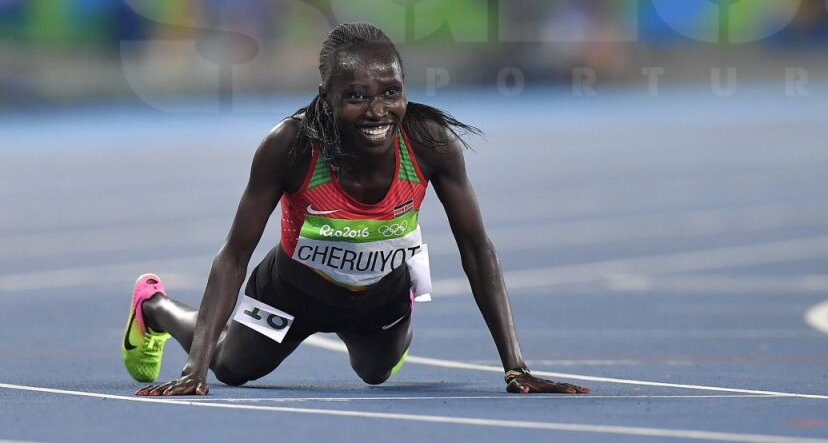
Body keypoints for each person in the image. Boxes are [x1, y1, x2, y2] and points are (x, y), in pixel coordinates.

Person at [122, 21, 589, 395]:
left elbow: (477, 249)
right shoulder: (290, 146)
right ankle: (155, 306)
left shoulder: (429, 142)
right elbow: (233, 255)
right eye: (356, 96)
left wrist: (516, 368)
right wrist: (194, 368)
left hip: (380, 295)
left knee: (376, 374)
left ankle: (393, 316)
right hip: (292, 293)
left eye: (391, 92)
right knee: (229, 368)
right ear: (326, 96)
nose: (377, 111)